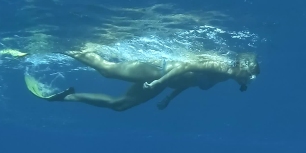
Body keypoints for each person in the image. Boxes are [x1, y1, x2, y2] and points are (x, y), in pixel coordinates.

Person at [26, 49, 260, 111]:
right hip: (159, 72)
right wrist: (160, 83)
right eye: (249, 74)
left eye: (252, 77)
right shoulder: (219, 66)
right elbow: (185, 66)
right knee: (107, 70)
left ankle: (68, 97)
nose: (249, 80)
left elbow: (191, 81)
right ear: (240, 66)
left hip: (164, 83)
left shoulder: (224, 78)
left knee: (121, 105)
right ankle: (63, 47)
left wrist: (168, 97)